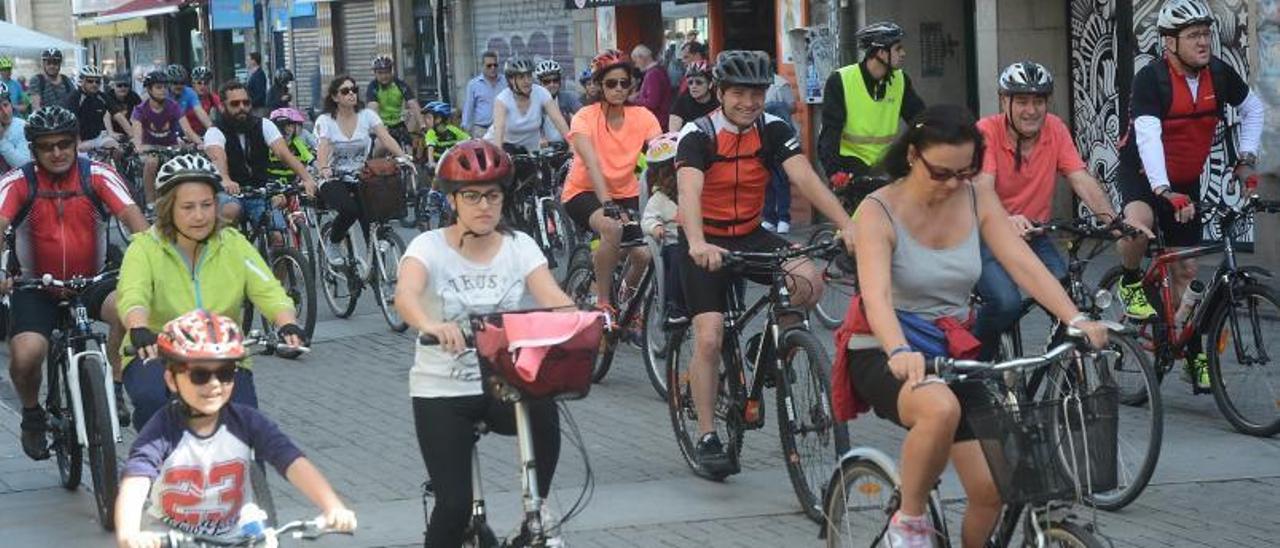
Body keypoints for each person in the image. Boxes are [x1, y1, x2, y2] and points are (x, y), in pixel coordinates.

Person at [844, 103, 1110, 548]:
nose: (953, 184)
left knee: (993, 489)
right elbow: (877, 297)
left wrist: (1076, 318)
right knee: (939, 409)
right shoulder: (878, 210)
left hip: (951, 354)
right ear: (913, 156)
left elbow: (1021, 262)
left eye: (965, 173)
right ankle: (908, 525)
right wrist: (898, 351)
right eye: (942, 173)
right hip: (882, 349)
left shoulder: (975, 196)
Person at [675, 50, 856, 476]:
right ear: (719, 93)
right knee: (708, 337)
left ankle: (772, 345)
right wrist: (698, 242)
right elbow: (689, 194)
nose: (748, 102)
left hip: (752, 233)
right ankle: (707, 434)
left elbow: (805, 178)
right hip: (707, 238)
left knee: (807, 280)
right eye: (738, 93)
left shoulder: (773, 129)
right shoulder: (696, 134)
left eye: (756, 93)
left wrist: (848, 224)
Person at [394, 139, 574, 548]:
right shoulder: (429, 247)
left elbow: (552, 296)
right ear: (452, 200)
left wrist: (587, 320)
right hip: (442, 391)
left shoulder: (518, 246)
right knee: (454, 508)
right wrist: (432, 324)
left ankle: (536, 511)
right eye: (471, 196)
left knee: (544, 405)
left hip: (501, 383)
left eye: (492, 195)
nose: (483, 206)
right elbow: (405, 295)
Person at [1114, 0, 1266, 391]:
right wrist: (1164, 191)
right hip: (1144, 175)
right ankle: (1130, 279)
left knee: (1186, 271)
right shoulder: (1152, 79)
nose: (1203, 42)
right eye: (1194, 36)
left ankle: (1192, 350)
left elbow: (1253, 111)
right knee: (1138, 225)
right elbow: (1147, 136)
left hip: (1185, 180)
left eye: (1206, 34)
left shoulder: (1218, 74)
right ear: (1169, 42)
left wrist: (1246, 159)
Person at [114, 310, 356, 546]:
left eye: (225, 373)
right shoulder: (162, 430)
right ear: (171, 380)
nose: (214, 384)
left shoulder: (246, 422)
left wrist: (331, 505)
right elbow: (136, 478)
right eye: (200, 375)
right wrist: (129, 531)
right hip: (171, 536)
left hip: (238, 534)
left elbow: (291, 461)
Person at [116, 154, 307, 429]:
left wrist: (287, 322)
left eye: (206, 205)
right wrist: (138, 326)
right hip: (156, 350)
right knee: (152, 401)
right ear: (169, 208)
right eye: (188, 207)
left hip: (222, 351)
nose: (199, 215)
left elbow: (268, 289)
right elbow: (133, 293)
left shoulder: (232, 243)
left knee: (245, 427)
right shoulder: (144, 248)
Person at [0, 106, 148, 459]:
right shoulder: (17, 182)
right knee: (26, 355)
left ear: (77, 141)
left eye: (65, 144)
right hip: (35, 285)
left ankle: (113, 383)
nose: (57, 153)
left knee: (130, 313)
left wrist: (152, 265)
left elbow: (137, 225)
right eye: (47, 146)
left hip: (93, 279)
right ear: (33, 150)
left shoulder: (98, 175)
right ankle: (33, 415)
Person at [972, 61, 1141, 361]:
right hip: (988, 236)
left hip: (1035, 235)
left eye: (1039, 101)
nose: (1031, 110)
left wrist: (1114, 222)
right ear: (1004, 101)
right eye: (1022, 101)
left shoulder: (1055, 129)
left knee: (1069, 302)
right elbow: (983, 187)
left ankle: (1062, 372)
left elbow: (1079, 177)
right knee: (1006, 303)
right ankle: (976, 367)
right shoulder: (987, 131)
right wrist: (1005, 220)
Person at [559, 49, 661, 315]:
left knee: (643, 255)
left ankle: (625, 302)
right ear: (598, 86)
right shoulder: (584, 117)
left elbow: (661, 157)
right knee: (611, 229)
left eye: (624, 83)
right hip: (583, 192)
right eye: (611, 83)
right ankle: (603, 303)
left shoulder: (644, 117)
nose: (618, 89)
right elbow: (592, 163)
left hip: (624, 192)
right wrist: (606, 202)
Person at [819, 21, 926, 207]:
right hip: (849, 162)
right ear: (881, 53)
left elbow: (919, 118)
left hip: (885, 160)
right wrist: (834, 173)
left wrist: (933, 143)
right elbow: (830, 132)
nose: (903, 53)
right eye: (898, 48)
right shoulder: (841, 81)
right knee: (868, 215)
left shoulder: (900, 80)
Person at [314, 75, 412, 264]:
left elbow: (385, 137)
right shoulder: (325, 120)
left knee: (374, 213)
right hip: (334, 177)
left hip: (361, 175)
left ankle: (375, 268)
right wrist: (324, 167)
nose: (351, 94)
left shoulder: (367, 115)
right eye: (345, 91)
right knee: (350, 210)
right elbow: (323, 145)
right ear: (335, 97)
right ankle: (334, 243)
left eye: (354, 90)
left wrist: (403, 157)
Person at [203, 80, 317, 229]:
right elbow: (218, 157)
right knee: (229, 216)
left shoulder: (264, 125)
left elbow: (283, 153)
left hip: (261, 191)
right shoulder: (215, 131)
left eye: (246, 103)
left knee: (277, 234)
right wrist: (225, 179)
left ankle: (279, 251)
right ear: (222, 106)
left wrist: (307, 178)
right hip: (230, 193)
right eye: (235, 104)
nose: (242, 108)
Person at [639, 132, 687, 325]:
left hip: (699, 239)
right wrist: (656, 228)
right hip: (673, 242)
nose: (671, 179)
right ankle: (674, 306)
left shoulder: (696, 191)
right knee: (676, 260)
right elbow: (647, 219)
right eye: (665, 175)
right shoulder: (659, 199)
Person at [132, 70, 200, 204]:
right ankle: (150, 203)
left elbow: (188, 131)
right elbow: (137, 139)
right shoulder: (140, 109)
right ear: (149, 89)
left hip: (170, 147)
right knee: (152, 163)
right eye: (158, 87)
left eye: (165, 87)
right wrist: (139, 147)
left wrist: (200, 143)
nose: (163, 90)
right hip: (150, 149)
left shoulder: (173, 106)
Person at [485, 58, 571, 155]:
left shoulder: (541, 92)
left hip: (529, 152)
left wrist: (572, 144)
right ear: (511, 80)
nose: (527, 81)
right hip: (502, 148)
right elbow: (499, 129)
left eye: (529, 76)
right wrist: (499, 155)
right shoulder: (502, 99)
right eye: (521, 77)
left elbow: (558, 120)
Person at [762, 66, 797, 234]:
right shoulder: (753, 84)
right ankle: (769, 217)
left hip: (780, 137)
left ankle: (784, 217)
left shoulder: (781, 84)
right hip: (761, 137)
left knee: (780, 180)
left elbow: (792, 107)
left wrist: (774, 109)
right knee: (766, 181)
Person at [63, 65, 120, 153]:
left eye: (97, 81)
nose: (94, 84)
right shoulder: (74, 97)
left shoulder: (101, 96)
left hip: (98, 137)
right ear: (82, 81)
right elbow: (73, 122)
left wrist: (133, 136)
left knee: (117, 149)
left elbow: (117, 114)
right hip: (79, 140)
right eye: (90, 81)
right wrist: (78, 142)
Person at [366, 55, 422, 144]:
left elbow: (413, 104)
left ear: (391, 71)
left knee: (409, 151)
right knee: (379, 148)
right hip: (380, 125)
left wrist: (422, 125)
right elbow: (373, 109)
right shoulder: (373, 87)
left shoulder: (400, 84)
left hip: (398, 125)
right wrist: (380, 127)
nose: (384, 76)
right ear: (375, 73)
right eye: (380, 73)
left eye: (387, 72)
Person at [534, 59, 582, 143]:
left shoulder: (568, 98)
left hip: (566, 146)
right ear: (540, 83)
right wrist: (539, 138)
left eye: (555, 80)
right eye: (546, 82)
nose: (551, 84)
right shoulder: (534, 102)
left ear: (560, 81)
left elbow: (583, 115)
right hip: (542, 149)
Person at [461, 51, 506, 137]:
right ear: (482, 66)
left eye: (495, 65)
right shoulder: (473, 85)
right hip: (481, 130)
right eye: (489, 66)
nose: (492, 68)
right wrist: (466, 129)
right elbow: (469, 107)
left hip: (502, 129)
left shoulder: (505, 82)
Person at [631, 45, 673, 131]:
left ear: (642, 58)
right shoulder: (658, 70)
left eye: (636, 61)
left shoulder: (653, 74)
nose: (636, 65)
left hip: (658, 120)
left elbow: (652, 102)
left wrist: (634, 100)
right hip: (661, 119)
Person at [266, 107, 316, 180]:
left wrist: (322, 167)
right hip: (271, 183)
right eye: (281, 126)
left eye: (291, 126)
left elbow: (310, 158)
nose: (286, 130)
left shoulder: (297, 143)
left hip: (293, 184)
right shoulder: (270, 144)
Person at [667, 61, 718, 131]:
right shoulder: (682, 102)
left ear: (710, 84)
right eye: (690, 83)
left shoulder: (718, 102)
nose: (693, 86)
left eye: (699, 82)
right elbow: (673, 132)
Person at [167, 64, 214, 137]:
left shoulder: (189, 93)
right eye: (175, 83)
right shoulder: (163, 94)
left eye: (182, 83)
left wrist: (213, 130)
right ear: (168, 83)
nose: (179, 86)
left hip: (182, 131)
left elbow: (199, 111)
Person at [422, 101, 469, 168]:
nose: (425, 121)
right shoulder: (431, 133)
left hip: (455, 162)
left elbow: (468, 141)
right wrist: (431, 163)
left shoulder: (453, 129)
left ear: (438, 119)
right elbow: (430, 149)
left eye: (428, 118)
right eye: (425, 118)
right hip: (439, 164)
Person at [0, 83, 31, 172]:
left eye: (6, 105)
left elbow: (24, 164)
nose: (5, 112)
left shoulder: (21, 127)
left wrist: (1, 140)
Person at [186, 66, 222, 136]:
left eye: (206, 83)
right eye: (199, 83)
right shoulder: (186, 97)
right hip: (186, 133)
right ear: (193, 84)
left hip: (204, 133)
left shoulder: (211, 97)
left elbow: (222, 109)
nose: (203, 86)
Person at [109, 72, 142, 142]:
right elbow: (116, 116)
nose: (123, 88)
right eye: (119, 85)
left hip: (133, 130)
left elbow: (142, 113)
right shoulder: (108, 97)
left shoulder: (134, 96)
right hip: (115, 133)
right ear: (113, 86)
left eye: (126, 85)